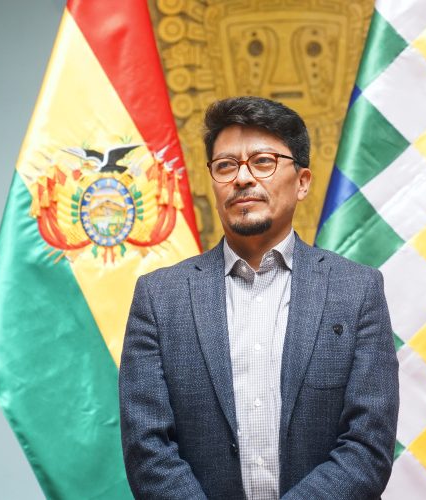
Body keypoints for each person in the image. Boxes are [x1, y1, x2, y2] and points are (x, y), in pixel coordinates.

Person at [119, 96, 399, 499]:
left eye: (263, 162)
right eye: (225, 166)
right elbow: (147, 449)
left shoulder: (357, 291)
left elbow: (367, 447)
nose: (242, 178)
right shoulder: (159, 299)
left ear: (302, 181)